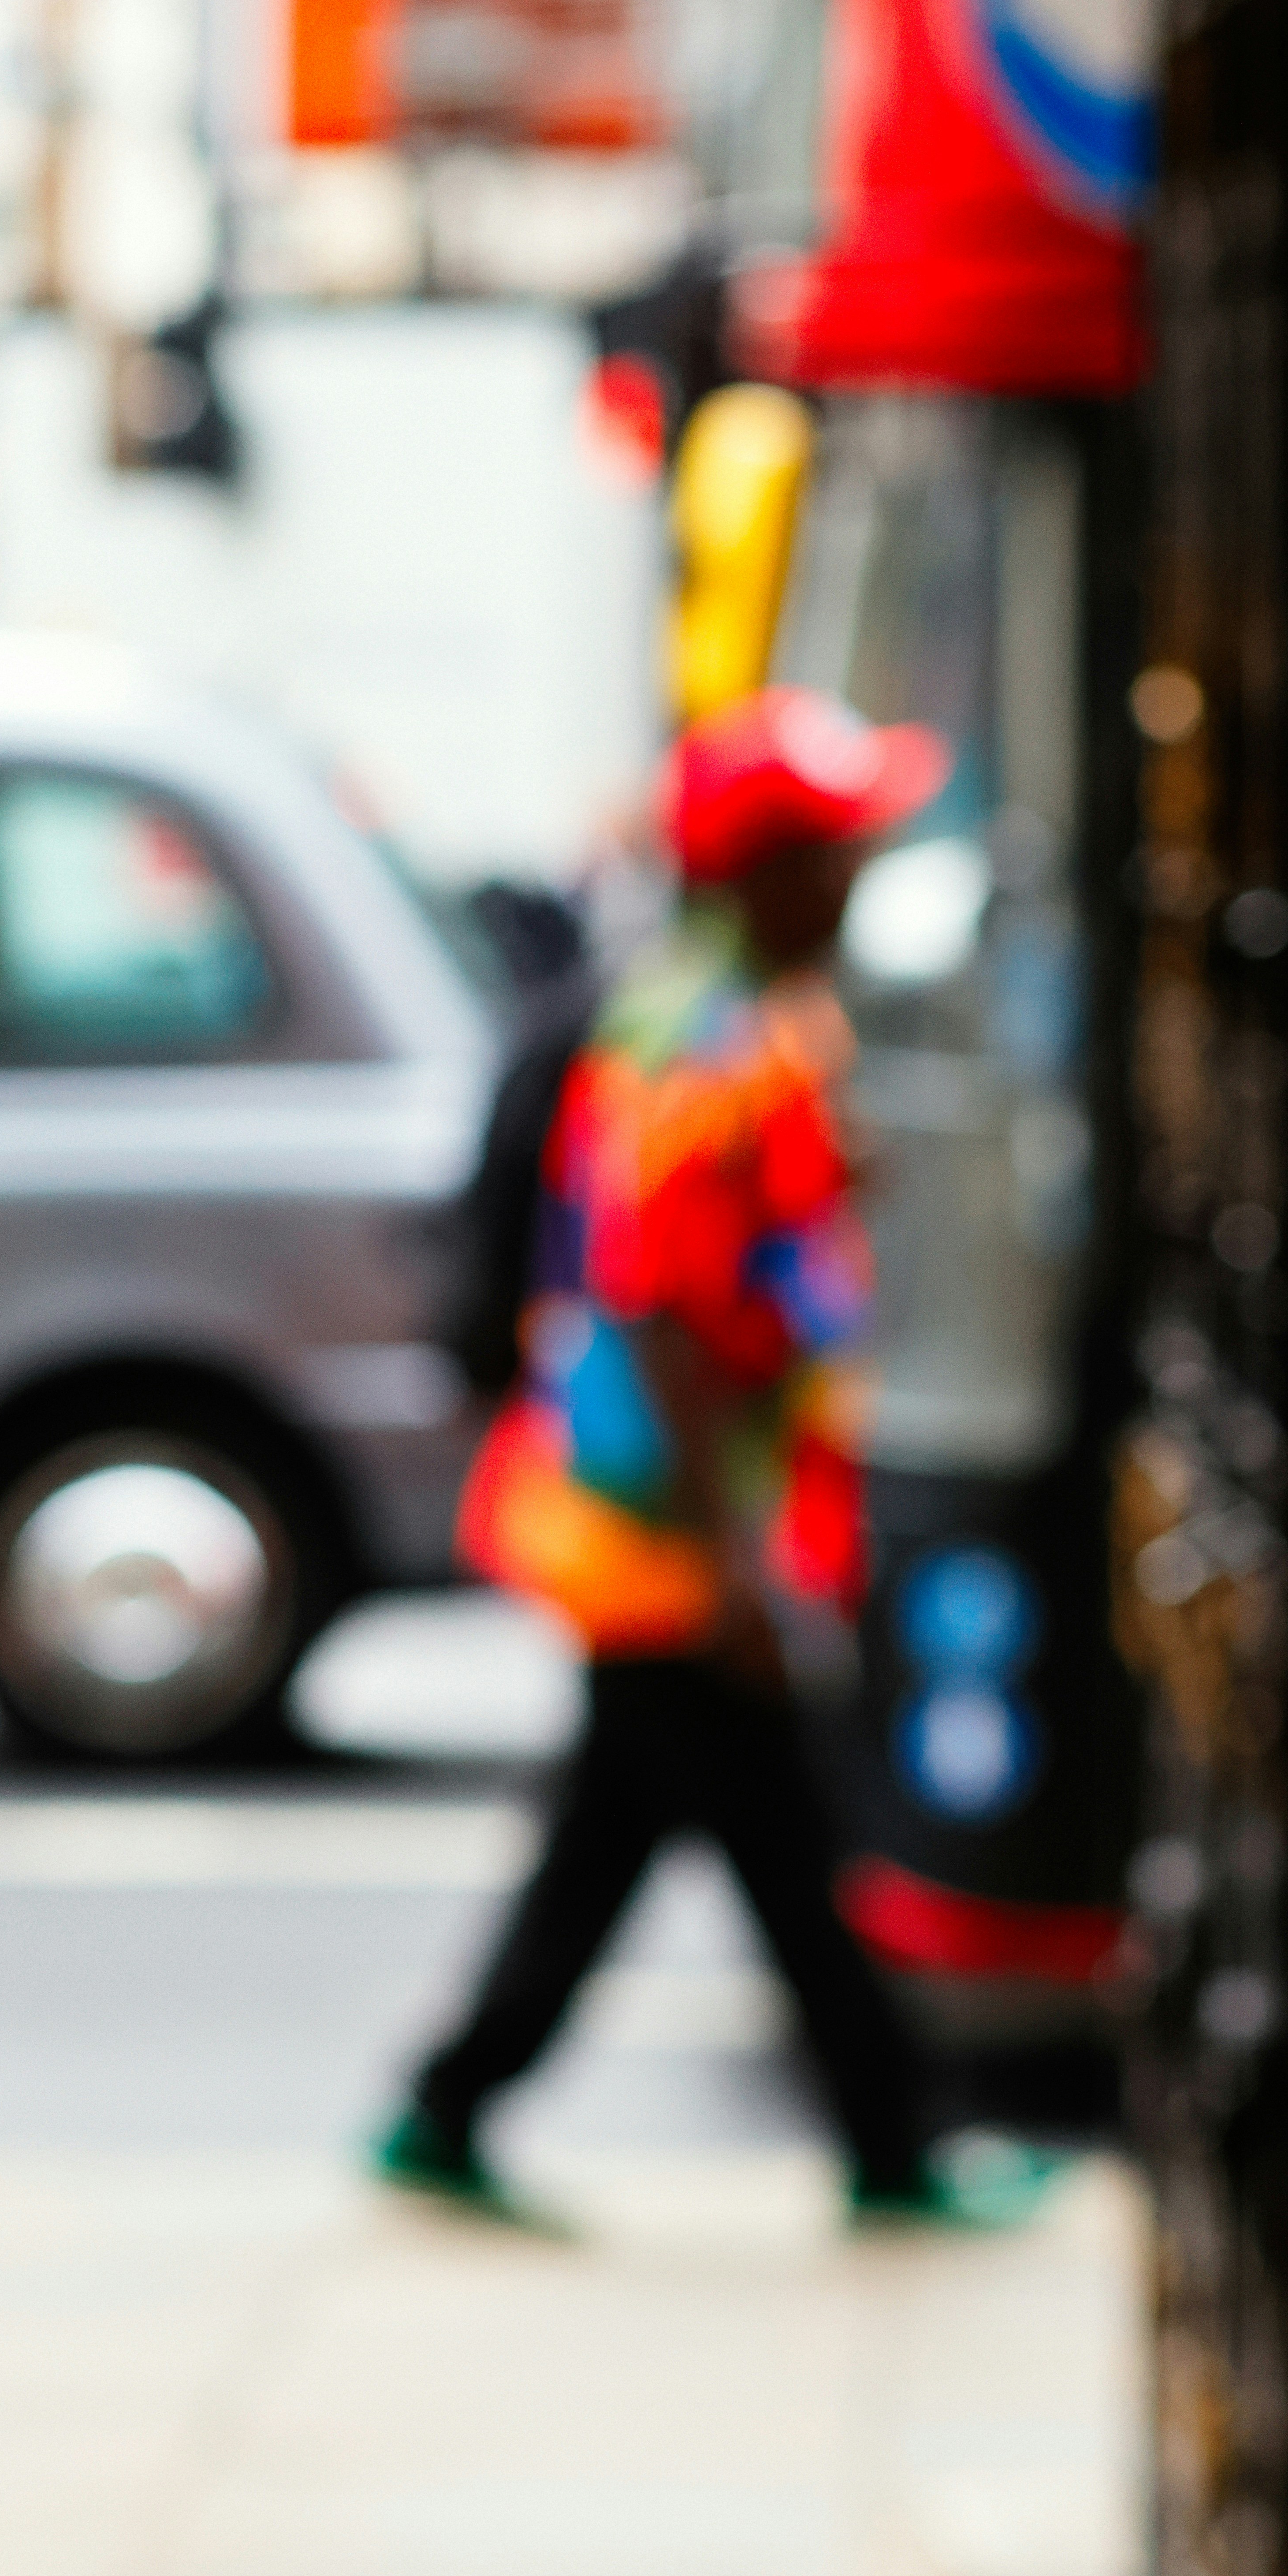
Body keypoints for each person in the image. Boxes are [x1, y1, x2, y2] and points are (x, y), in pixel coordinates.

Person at [375, 687, 1047, 2228]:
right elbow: (667, 1312)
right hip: (669, 1540)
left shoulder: (759, 1019)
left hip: (685, 1532)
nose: (866, 872)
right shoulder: (708, 1045)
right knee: (784, 1846)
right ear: (764, 874)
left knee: (630, 1837)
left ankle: (453, 2107)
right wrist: (736, 1562)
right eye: (837, 848)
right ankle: (894, 2144)